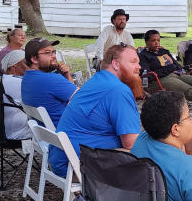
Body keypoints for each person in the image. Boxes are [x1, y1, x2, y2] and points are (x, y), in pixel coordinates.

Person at [47, 43, 142, 177]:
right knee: (157, 152)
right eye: (133, 62)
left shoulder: (97, 80)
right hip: (77, 167)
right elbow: (131, 143)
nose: (139, 67)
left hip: (62, 159)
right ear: (115, 64)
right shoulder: (118, 90)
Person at [20, 37, 78, 128]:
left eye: (53, 52)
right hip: (69, 133)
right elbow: (83, 99)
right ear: (34, 59)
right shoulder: (51, 79)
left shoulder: (27, 78)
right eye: (47, 53)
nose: (54, 56)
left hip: (49, 135)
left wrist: (67, 75)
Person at [0, 49, 31, 141]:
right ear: (15, 65)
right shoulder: (21, 84)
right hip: (18, 133)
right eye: (27, 63)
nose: (30, 66)